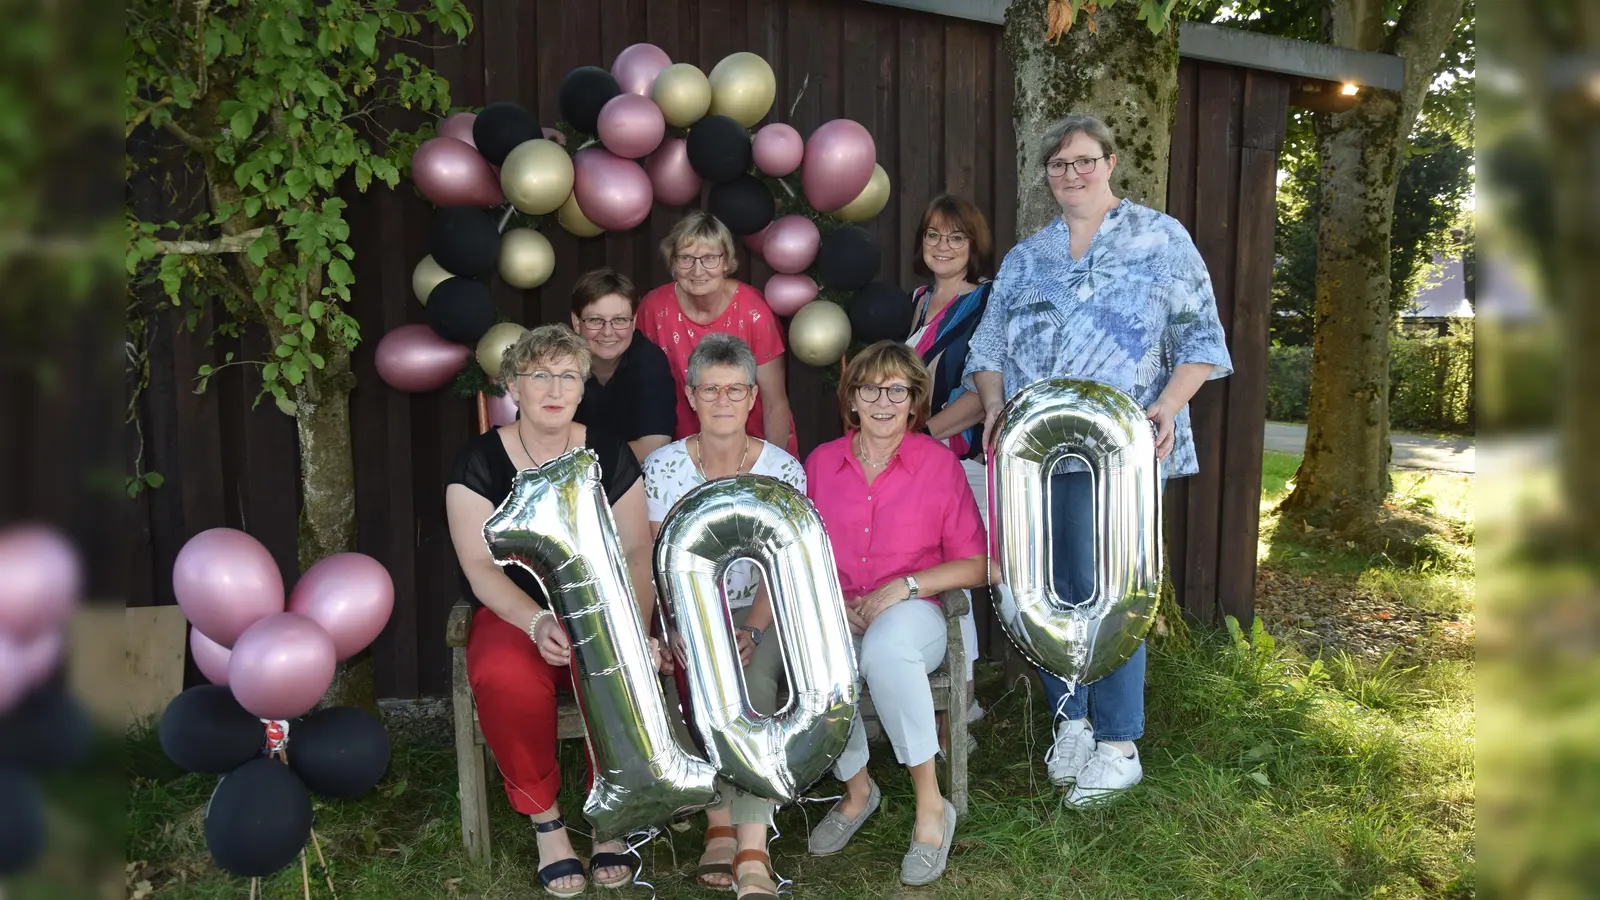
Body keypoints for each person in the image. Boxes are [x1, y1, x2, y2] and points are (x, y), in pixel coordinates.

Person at [964, 114, 1233, 807]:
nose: (1072, 174)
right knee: (1047, 589)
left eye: (1084, 161)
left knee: (1110, 590)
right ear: (1046, 175)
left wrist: (1169, 406)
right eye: (1058, 164)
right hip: (1033, 460)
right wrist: (993, 405)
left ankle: (1119, 743)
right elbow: (986, 350)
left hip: (1120, 459)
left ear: (1110, 163)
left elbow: (1201, 337)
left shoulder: (1160, 239)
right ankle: (1071, 721)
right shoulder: (1028, 257)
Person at [444, 325, 657, 896]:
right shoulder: (480, 461)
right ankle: (548, 824)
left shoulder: (607, 450)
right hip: (519, 612)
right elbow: (479, 563)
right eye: (540, 374)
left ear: (583, 387)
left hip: (601, 605)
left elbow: (638, 549)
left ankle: (611, 816)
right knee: (504, 675)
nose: (554, 387)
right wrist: (536, 621)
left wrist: (628, 626)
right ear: (513, 384)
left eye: (567, 375)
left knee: (622, 670)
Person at [802, 341, 986, 886]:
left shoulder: (939, 465)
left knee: (886, 650)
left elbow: (979, 565)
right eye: (869, 389)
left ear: (914, 402)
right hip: (837, 608)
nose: (883, 401)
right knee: (814, 657)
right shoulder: (820, 464)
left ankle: (932, 806)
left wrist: (904, 587)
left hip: (916, 612)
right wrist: (833, 601)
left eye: (896, 390)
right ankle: (859, 789)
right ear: (851, 400)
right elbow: (801, 553)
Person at [641, 333, 805, 900]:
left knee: (754, 678)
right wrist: (684, 631)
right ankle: (717, 821)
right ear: (691, 395)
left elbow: (784, 569)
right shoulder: (662, 469)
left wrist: (753, 629)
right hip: (689, 609)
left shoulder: (782, 470)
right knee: (691, 681)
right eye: (710, 389)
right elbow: (660, 564)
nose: (723, 400)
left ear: (753, 395)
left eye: (736, 389)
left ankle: (753, 844)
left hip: (764, 608)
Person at [906, 193, 997, 725]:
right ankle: (938, 694)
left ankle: (960, 706)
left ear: (973, 246)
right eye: (934, 235)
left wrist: (920, 435)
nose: (943, 246)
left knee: (954, 578)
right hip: (922, 461)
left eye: (956, 237)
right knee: (927, 573)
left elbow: (981, 393)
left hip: (964, 464)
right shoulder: (918, 301)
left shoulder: (986, 302)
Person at [636, 211, 798, 456]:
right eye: (686, 258)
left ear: (726, 262)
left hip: (754, 447)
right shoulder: (653, 309)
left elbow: (775, 402)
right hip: (682, 452)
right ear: (673, 263)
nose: (697, 270)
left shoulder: (754, 312)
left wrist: (769, 467)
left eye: (709, 258)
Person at [569, 267, 676, 463]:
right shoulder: (557, 363)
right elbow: (536, 436)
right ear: (577, 322)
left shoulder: (650, 361)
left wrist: (580, 462)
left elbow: (654, 446)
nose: (608, 332)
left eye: (619, 320)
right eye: (595, 320)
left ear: (634, 321)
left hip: (634, 481)